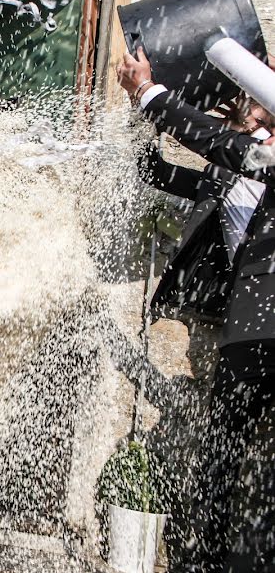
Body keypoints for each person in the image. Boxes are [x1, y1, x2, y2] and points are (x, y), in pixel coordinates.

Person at [119, 47, 275, 571]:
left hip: (261, 332)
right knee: (220, 449)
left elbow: (228, 148)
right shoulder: (229, 167)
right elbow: (157, 169)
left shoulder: (254, 155)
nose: (255, 111)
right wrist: (142, 118)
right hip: (237, 328)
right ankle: (202, 557)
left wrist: (151, 94)